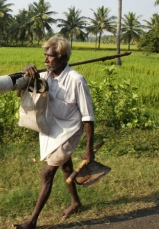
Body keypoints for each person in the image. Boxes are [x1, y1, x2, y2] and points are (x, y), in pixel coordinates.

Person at [14, 35, 95, 229]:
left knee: (47, 173)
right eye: (45, 56)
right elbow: (23, 89)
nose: (45, 60)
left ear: (63, 58)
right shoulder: (46, 76)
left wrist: (89, 148)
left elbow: (88, 117)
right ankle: (76, 203)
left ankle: (32, 221)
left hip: (70, 131)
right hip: (52, 128)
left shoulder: (76, 80)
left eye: (50, 57)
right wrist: (26, 71)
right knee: (66, 167)